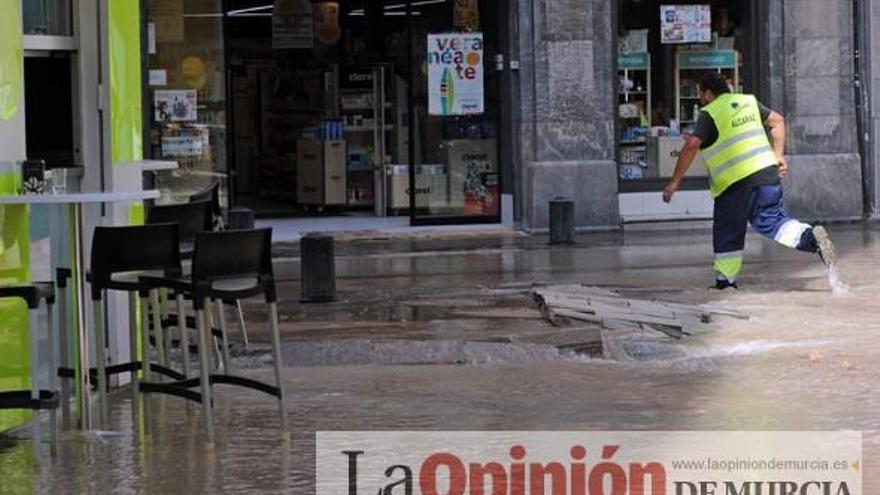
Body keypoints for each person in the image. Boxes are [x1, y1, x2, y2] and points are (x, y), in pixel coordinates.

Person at [662, 71, 836, 290]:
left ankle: (725, 282)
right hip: (766, 175)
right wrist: (779, 155)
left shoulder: (710, 112)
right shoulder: (749, 101)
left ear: (707, 93)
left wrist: (674, 182)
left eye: (701, 92)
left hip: (734, 184)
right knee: (772, 221)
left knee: (728, 231)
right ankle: (810, 237)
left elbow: (691, 146)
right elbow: (777, 121)